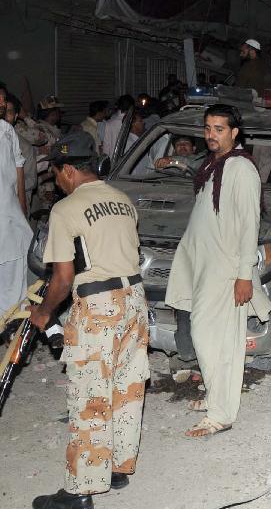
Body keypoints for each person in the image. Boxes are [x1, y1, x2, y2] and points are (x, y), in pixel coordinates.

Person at [27, 131, 149, 509]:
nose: (56, 182)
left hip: (99, 305)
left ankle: (81, 491)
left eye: (56, 175)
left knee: (90, 394)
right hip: (135, 299)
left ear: (67, 171)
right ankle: (116, 467)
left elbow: (63, 277)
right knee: (126, 387)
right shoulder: (123, 200)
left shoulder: (65, 210)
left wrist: (44, 312)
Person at [165, 104, 271, 437]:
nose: (211, 135)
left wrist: (244, 274)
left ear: (234, 132)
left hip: (226, 269)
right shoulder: (213, 164)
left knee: (215, 339)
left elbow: (248, 225)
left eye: (219, 129)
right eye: (208, 128)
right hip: (204, 265)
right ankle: (216, 396)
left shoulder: (241, 168)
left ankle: (221, 414)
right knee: (206, 337)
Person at [0, 90, 31, 315]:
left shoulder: (7, 130)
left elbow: (18, 168)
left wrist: (22, 207)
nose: (3, 103)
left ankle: (11, 324)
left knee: (15, 272)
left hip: (9, 214)